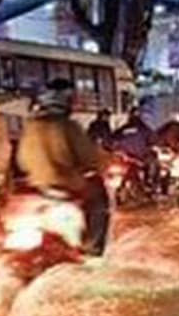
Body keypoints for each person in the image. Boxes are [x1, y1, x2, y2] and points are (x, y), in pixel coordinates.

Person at [15, 79, 109, 256]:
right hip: (67, 184)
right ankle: (92, 247)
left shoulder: (31, 127)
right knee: (99, 200)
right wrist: (99, 163)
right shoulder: (69, 127)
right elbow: (89, 158)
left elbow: (22, 161)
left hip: (38, 185)